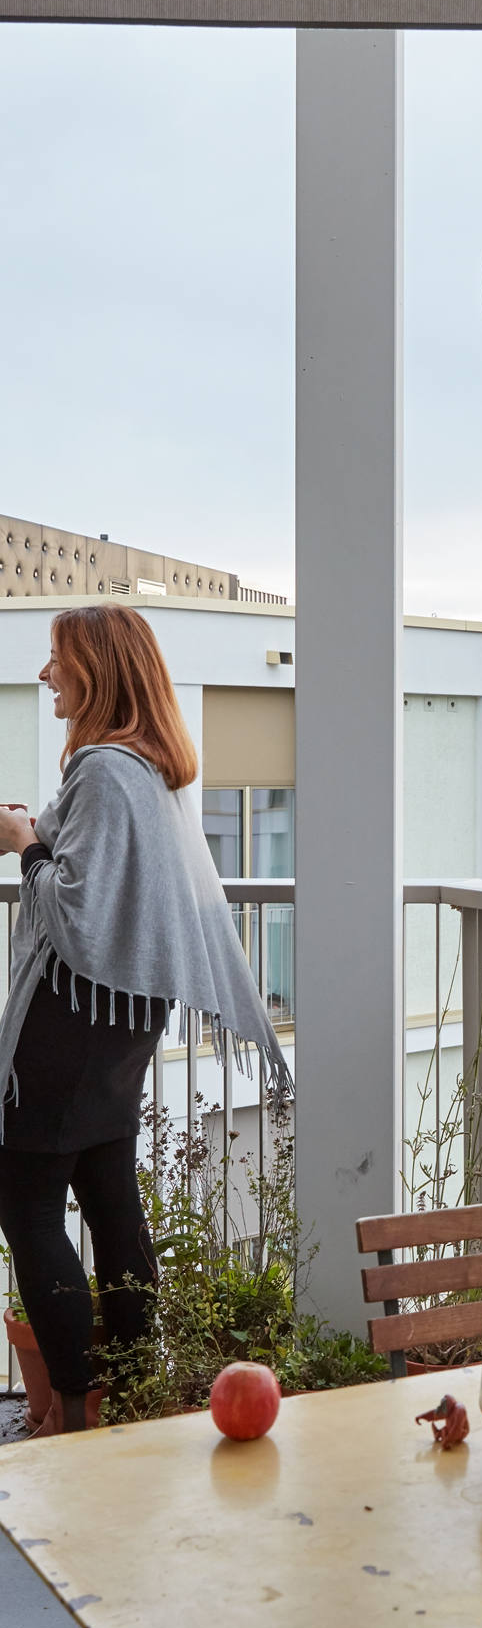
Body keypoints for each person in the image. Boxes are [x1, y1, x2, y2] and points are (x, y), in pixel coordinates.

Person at [0, 604, 292, 1437]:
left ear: (95, 670)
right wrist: (41, 833)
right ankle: (132, 1394)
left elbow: (78, 912)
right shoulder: (150, 769)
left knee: (27, 1208)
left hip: (70, 1020)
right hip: (121, 1022)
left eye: (57, 659)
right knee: (110, 1200)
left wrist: (24, 844)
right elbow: (109, 883)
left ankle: (74, 1410)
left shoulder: (101, 767)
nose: (46, 674)